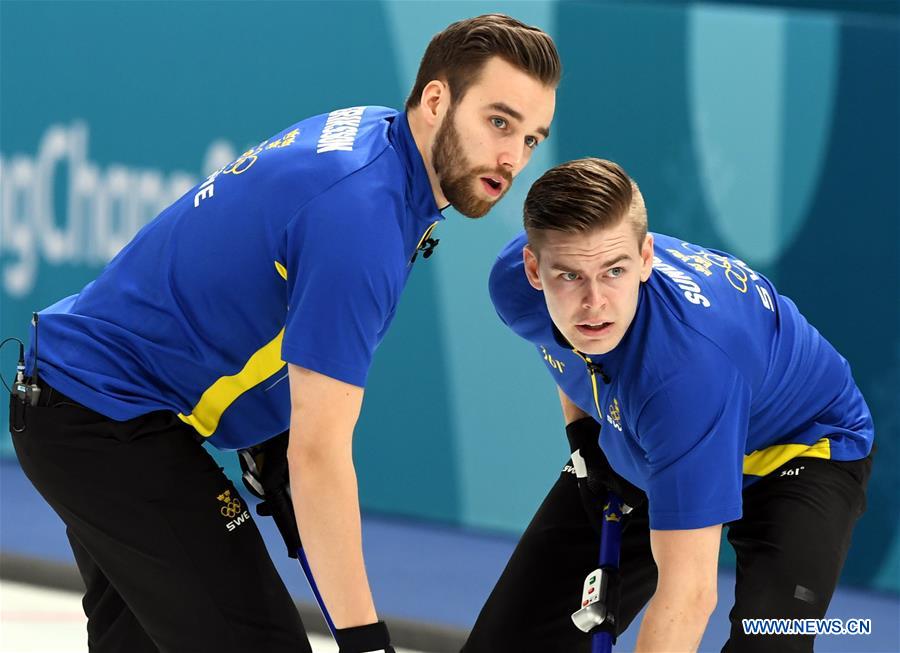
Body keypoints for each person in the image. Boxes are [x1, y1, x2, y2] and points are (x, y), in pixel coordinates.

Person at [8, 14, 558, 653]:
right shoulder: (364, 219)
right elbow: (320, 455)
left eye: (531, 137)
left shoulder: (378, 138)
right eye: (499, 122)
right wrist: (364, 639)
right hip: (105, 418)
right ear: (436, 100)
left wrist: (268, 438)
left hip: (88, 399)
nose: (512, 157)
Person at [464, 158, 874, 652]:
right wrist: (585, 443)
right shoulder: (515, 287)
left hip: (800, 445)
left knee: (768, 640)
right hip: (656, 435)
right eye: (570, 276)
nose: (594, 303)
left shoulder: (682, 376)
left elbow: (689, 596)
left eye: (614, 271)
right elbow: (568, 357)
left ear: (646, 257)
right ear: (534, 269)